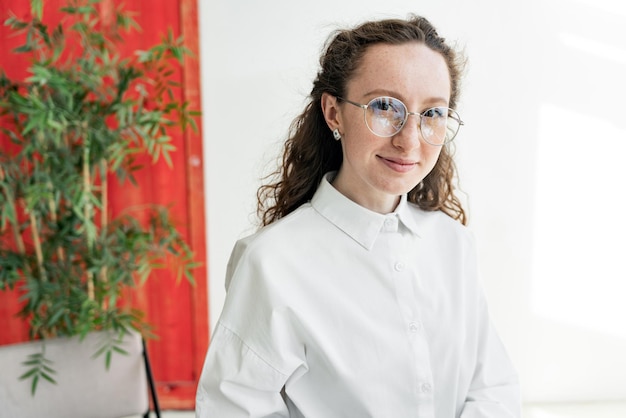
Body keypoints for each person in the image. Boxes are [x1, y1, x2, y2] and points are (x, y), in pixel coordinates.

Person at [196, 15, 520, 417]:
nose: (409, 140)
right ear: (334, 113)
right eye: (385, 107)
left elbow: (493, 388)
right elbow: (234, 408)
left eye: (432, 114)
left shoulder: (454, 244)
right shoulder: (273, 262)